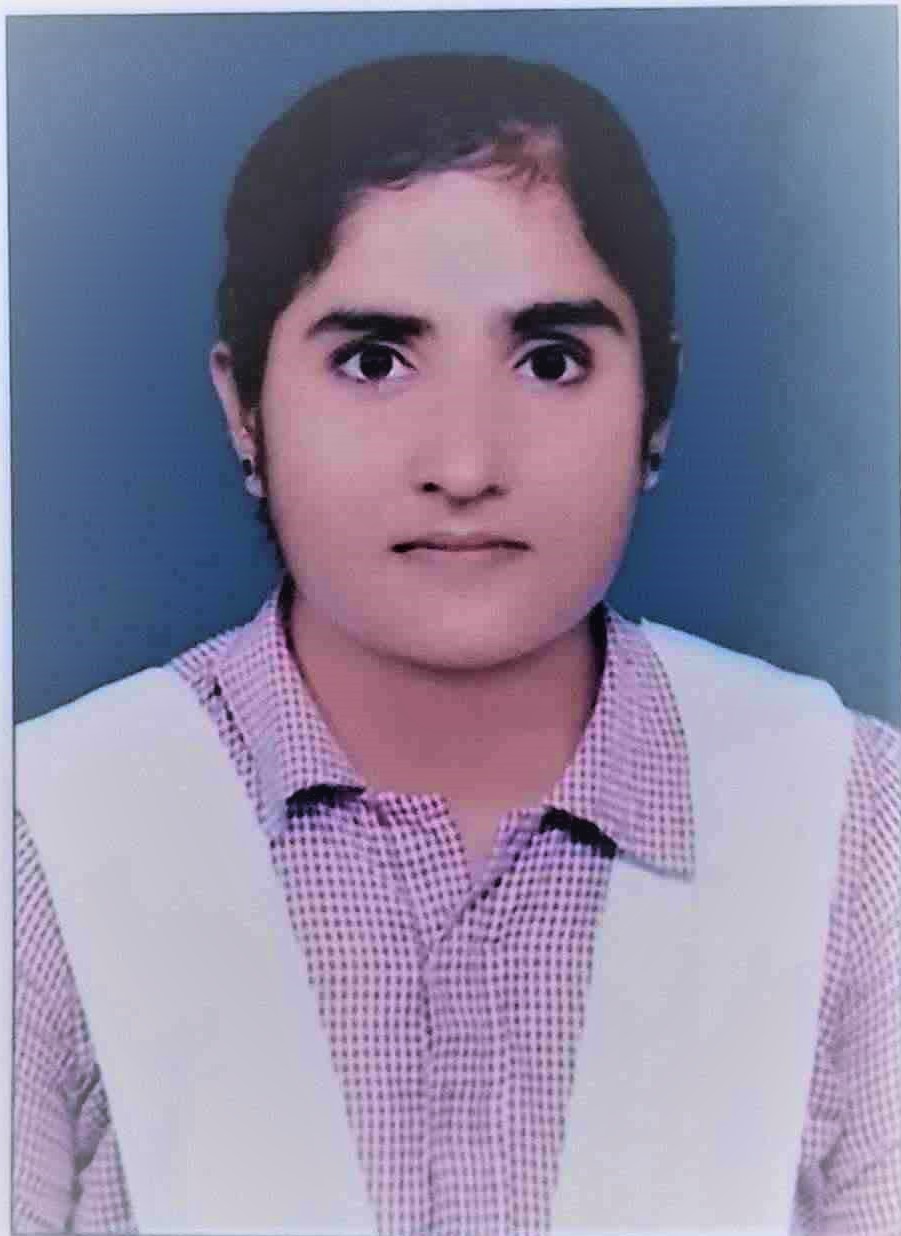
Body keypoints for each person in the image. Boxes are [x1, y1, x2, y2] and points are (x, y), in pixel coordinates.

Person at [13, 52, 899, 1236]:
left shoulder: (851, 828)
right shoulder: (48, 835)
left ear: (657, 403)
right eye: (374, 361)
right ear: (244, 410)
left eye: (550, 360)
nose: (466, 466)